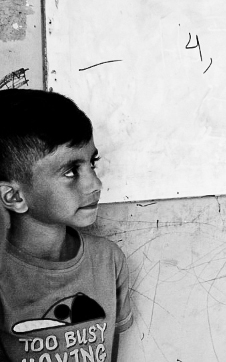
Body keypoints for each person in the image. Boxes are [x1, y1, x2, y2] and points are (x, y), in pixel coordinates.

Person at [0, 89, 133, 362]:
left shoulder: (108, 260)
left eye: (92, 164)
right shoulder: (4, 276)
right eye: (71, 171)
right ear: (14, 197)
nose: (95, 184)